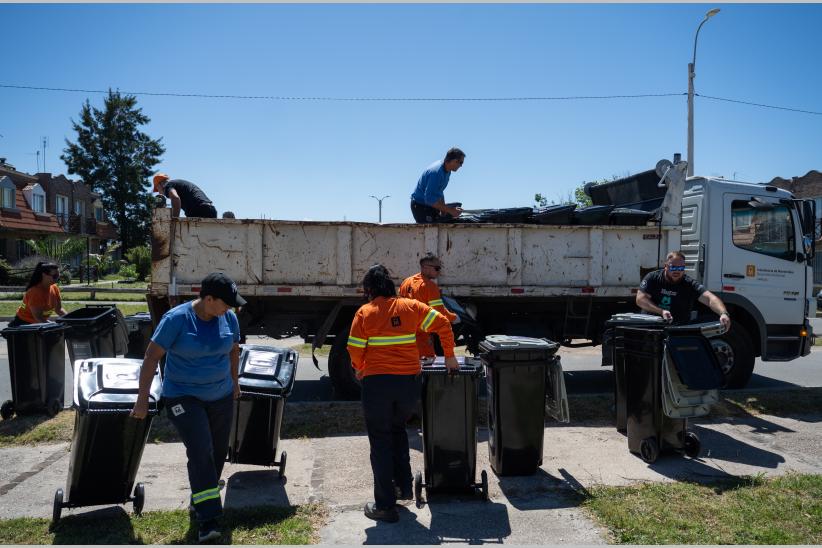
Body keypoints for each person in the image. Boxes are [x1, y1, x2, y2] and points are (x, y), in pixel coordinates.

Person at [130, 272, 245, 543]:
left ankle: (201, 496)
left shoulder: (227, 317)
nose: (231, 308)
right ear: (208, 299)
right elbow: (151, 357)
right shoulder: (176, 320)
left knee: (217, 452)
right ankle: (208, 519)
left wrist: (235, 383)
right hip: (183, 395)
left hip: (220, 394)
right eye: (225, 303)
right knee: (201, 451)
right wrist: (143, 397)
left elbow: (233, 350)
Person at [347, 264, 458, 523]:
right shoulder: (411, 307)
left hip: (378, 386)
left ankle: (385, 506)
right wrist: (450, 357)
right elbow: (443, 323)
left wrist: (360, 369)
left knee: (380, 442)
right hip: (409, 385)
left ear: (370, 290)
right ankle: (403, 488)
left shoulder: (365, 313)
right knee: (398, 431)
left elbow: (353, 350)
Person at [636, 250, 731, 330]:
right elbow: (640, 299)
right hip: (652, 326)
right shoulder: (653, 278)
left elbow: (710, 298)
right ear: (665, 266)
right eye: (673, 267)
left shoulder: (689, 284)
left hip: (678, 328)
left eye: (681, 268)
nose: (677, 271)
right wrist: (661, 311)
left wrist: (723, 313)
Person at [399, 253, 458, 357]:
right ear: (425, 268)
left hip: (405, 335)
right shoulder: (430, 286)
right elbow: (440, 312)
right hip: (422, 336)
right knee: (426, 366)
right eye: (437, 268)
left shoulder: (406, 282)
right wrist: (454, 318)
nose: (439, 272)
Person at [410, 147, 465, 223]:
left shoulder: (447, 170)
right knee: (431, 232)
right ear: (454, 161)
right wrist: (450, 210)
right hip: (420, 206)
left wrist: (444, 210)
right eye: (461, 163)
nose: (461, 166)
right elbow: (429, 199)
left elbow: (439, 191)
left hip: (429, 205)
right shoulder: (436, 173)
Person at [9, 262, 67, 327]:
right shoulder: (35, 292)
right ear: (44, 275)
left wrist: (70, 319)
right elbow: (38, 318)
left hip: (38, 324)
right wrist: (54, 325)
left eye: (58, 276)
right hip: (23, 324)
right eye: (55, 276)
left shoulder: (54, 287)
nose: (57, 279)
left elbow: (59, 309)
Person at [153, 173, 218, 219]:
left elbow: (175, 198)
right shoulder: (177, 183)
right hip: (210, 209)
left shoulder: (167, 186)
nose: (159, 192)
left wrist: (174, 219)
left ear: (159, 185)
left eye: (157, 189)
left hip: (198, 211)